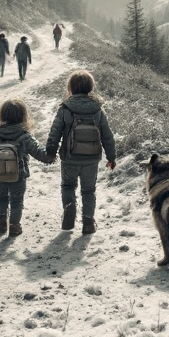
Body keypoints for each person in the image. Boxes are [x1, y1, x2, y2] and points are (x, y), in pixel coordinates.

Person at [44, 69, 117, 235]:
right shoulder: (98, 110)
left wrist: (50, 152)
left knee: (68, 186)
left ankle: (69, 210)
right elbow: (107, 136)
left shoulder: (65, 109)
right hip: (91, 159)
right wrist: (111, 157)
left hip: (69, 158)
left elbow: (54, 132)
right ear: (90, 87)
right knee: (89, 191)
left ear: (71, 87)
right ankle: (88, 222)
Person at [0, 98, 54, 236]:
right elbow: (38, 153)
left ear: (2, 115)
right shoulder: (24, 136)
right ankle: (14, 225)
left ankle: (1, 220)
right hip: (18, 175)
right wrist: (50, 155)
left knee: (1, 198)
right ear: (23, 116)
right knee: (16, 200)